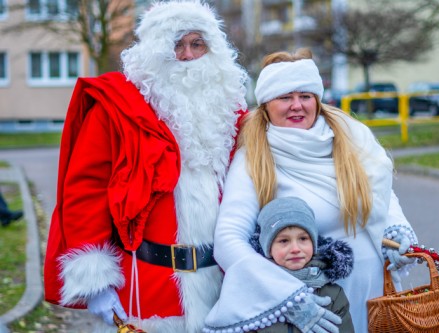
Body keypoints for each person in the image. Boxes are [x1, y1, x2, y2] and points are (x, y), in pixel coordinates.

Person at [43, 1, 248, 332]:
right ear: (154, 50)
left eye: (198, 44)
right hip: (149, 291)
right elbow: (86, 190)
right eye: (176, 44)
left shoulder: (232, 110)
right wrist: (96, 281)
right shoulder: (118, 108)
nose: (187, 55)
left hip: (226, 289)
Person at [204, 49, 417, 333]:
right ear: (266, 104)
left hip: (374, 293)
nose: (297, 106)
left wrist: (395, 230)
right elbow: (229, 239)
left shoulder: (350, 134)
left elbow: (380, 192)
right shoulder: (254, 156)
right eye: (285, 97)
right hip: (314, 303)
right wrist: (284, 296)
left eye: (305, 96)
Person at [251, 196, 355, 333]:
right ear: (268, 248)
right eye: (284, 241)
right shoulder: (255, 293)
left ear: (313, 243)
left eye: (303, 238)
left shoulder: (332, 294)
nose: (295, 248)